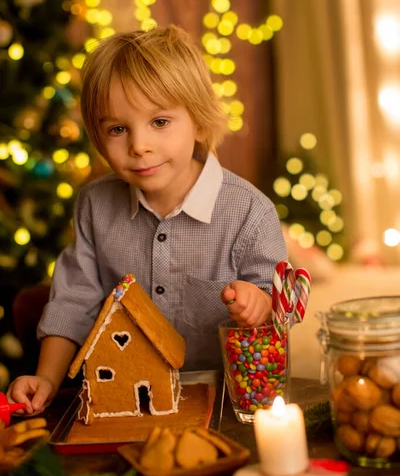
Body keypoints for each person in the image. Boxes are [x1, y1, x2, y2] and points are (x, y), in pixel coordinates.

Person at [7, 25, 286, 416]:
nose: (139, 145)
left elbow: (278, 305)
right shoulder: (95, 205)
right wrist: (48, 379)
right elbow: (75, 299)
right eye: (118, 129)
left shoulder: (249, 212)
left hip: (226, 403)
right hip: (124, 401)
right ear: (99, 137)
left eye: (159, 122)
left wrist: (260, 303)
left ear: (200, 121)